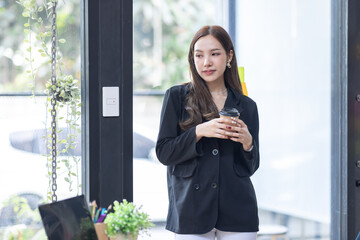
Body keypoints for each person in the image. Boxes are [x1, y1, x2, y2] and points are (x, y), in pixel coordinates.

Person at [156, 25, 260, 240]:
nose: (207, 62)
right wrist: (200, 131)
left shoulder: (247, 106)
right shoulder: (176, 97)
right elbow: (164, 153)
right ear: (192, 59)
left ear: (229, 56)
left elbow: (250, 167)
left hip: (238, 211)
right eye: (199, 55)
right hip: (191, 212)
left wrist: (248, 144)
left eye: (215, 54)